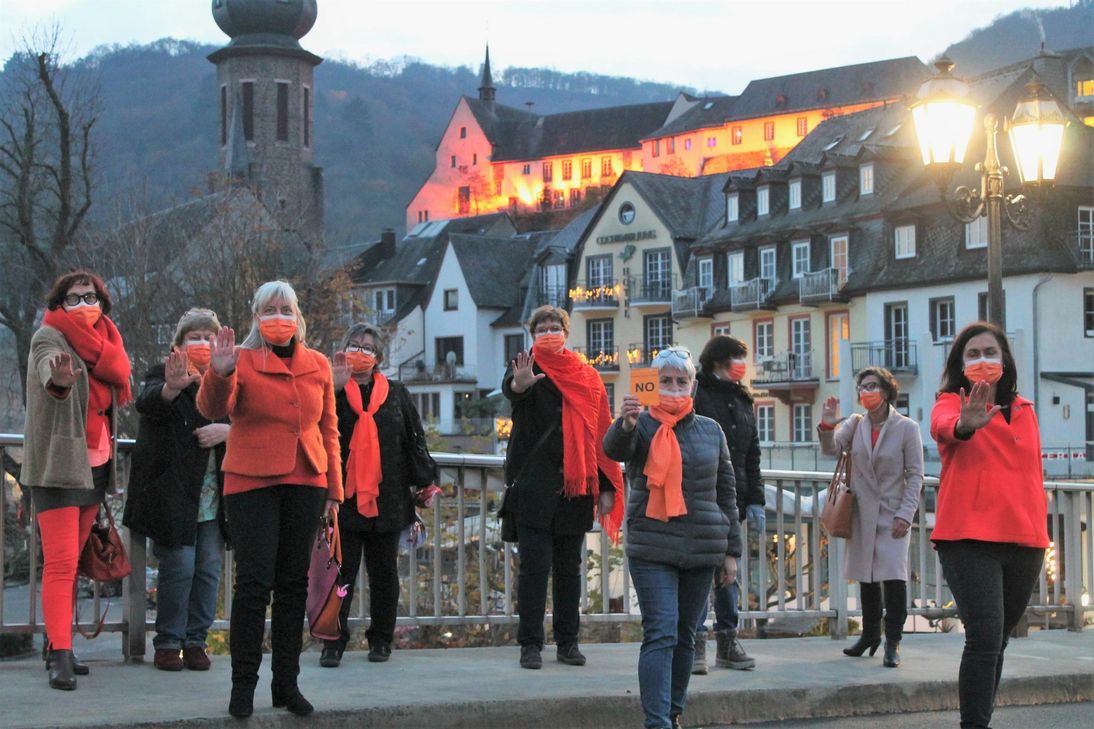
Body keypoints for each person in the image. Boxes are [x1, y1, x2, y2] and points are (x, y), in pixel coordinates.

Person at [197, 280, 342, 718]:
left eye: (286, 309)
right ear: (256, 316)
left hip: (307, 480)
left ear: (298, 316)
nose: (279, 316)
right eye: (270, 309)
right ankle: (243, 686)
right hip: (251, 482)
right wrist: (220, 372)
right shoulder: (240, 359)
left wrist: (334, 490)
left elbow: (329, 431)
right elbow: (212, 408)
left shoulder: (317, 364)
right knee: (254, 583)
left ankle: (286, 684)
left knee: (294, 585)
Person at [604, 346, 741, 729]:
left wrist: (731, 551)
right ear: (653, 383)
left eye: (682, 381)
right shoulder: (641, 424)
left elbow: (726, 493)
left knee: (685, 636)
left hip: (701, 549)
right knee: (661, 632)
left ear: (692, 386)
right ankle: (657, 722)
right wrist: (625, 424)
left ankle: (673, 712)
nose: (674, 388)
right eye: (666, 380)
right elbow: (614, 449)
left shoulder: (710, 431)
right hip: (653, 547)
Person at [930, 321, 1048, 729]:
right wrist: (965, 425)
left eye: (990, 353)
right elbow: (946, 428)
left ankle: (981, 719)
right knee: (983, 638)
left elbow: (1032, 473)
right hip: (968, 538)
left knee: (997, 640)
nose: (983, 361)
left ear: (1005, 360)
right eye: (973, 354)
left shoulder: (1026, 410)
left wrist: (1040, 530)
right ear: (960, 365)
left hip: (1026, 539)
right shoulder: (950, 402)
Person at [20, 269, 132, 690]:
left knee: (70, 565)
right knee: (62, 563)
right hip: (58, 465)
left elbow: (116, 385)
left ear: (102, 304)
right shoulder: (49, 337)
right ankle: (61, 656)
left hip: (96, 464)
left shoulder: (108, 342)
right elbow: (47, 371)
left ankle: (57, 644)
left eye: (91, 297)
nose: (84, 305)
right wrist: (59, 382)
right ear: (59, 303)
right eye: (74, 298)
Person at [502, 305, 624, 670]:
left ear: (566, 333)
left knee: (570, 571)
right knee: (533, 570)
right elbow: (513, 391)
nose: (549, 331)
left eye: (555, 326)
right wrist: (520, 384)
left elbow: (601, 433)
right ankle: (530, 644)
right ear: (532, 334)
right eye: (542, 327)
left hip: (577, 487)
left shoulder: (587, 376)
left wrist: (606, 486)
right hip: (534, 487)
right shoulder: (524, 366)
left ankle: (568, 643)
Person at [319, 323, 435, 668]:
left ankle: (381, 639)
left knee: (384, 575)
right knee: (340, 575)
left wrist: (425, 481)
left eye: (367, 347)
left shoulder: (397, 393)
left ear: (379, 357)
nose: (360, 352)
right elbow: (314, 430)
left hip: (389, 499)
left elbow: (414, 439)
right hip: (343, 499)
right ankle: (332, 643)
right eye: (354, 345)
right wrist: (333, 388)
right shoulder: (330, 389)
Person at [124, 308, 230, 672]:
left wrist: (227, 432)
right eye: (193, 337)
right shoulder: (163, 373)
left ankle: (196, 641)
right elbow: (148, 401)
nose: (201, 343)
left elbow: (252, 421)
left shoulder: (227, 379)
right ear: (179, 344)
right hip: (175, 494)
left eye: (208, 337)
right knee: (179, 566)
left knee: (209, 569)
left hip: (215, 494)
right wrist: (172, 387)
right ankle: (169, 641)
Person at [819, 367, 923, 668]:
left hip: (893, 513)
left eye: (872, 385)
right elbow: (831, 449)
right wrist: (827, 424)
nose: (866, 391)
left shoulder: (906, 428)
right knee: (866, 576)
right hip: (862, 512)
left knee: (894, 578)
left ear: (887, 391)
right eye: (862, 387)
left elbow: (915, 474)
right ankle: (869, 635)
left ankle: (893, 641)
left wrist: (906, 513)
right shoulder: (855, 423)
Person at [691, 335, 763, 673]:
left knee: (729, 572)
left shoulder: (742, 398)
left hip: (736, 499)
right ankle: (695, 643)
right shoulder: (698, 393)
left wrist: (756, 499)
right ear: (719, 360)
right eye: (737, 357)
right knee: (701, 572)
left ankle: (727, 642)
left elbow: (752, 454)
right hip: (703, 496)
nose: (741, 365)